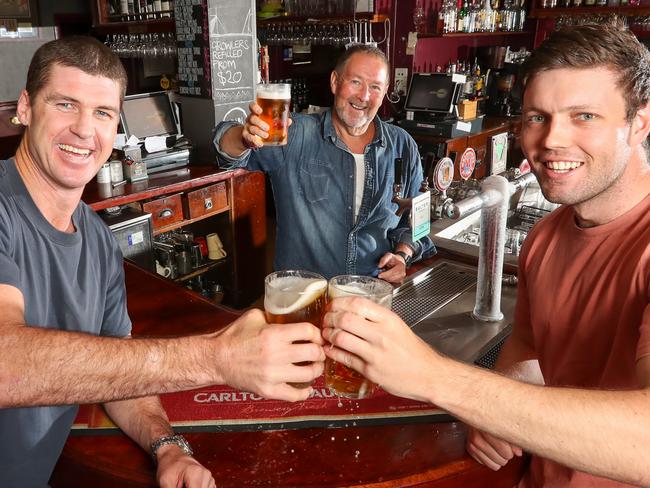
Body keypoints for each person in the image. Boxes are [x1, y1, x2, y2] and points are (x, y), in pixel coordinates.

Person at [321, 20, 650, 487]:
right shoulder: (548, 237)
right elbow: (529, 347)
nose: (553, 139)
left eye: (585, 116)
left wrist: (434, 376)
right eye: (538, 116)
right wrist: (499, 411)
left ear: (638, 123)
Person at [0, 36, 325, 488]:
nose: (83, 130)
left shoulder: (95, 237)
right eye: (65, 105)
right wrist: (218, 357)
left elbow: (118, 372)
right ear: (27, 108)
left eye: (102, 113)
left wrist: (168, 447)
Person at [213, 45, 434, 284]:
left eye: (375, 87)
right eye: (356, 82)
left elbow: (417, 222)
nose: (364, 96)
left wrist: (402, 256)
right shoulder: (293, 134)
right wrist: (243, 137)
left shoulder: (403, 145)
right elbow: (225, 150)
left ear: (384, 92)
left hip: (370, 290)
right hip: (303, 295)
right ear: (335, 82)